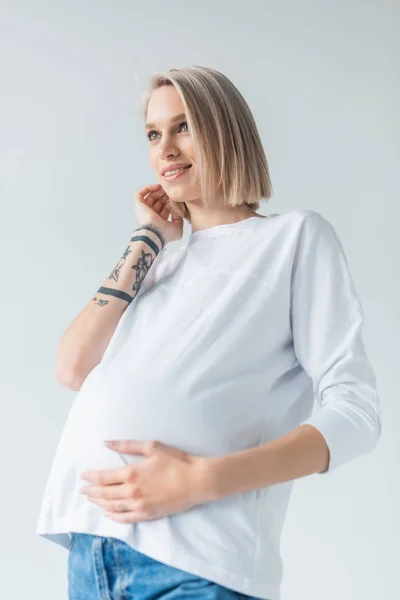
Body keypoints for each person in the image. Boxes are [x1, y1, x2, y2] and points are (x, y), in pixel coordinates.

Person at [36, 65, 382, 600]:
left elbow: (356, 412)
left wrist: (202, 480)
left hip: (198, 565)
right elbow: (72, 365)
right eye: (153, 134)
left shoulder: (292, 239)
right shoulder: (157, 263)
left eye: (184, 127)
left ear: (225, 130)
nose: (166, 149)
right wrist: (149, 237)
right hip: (93, 556)